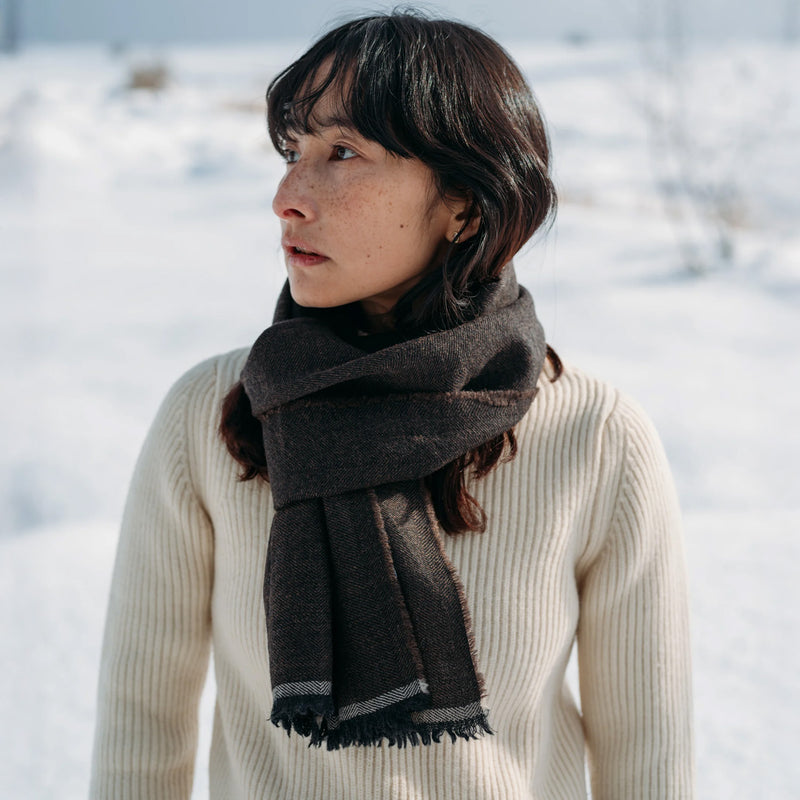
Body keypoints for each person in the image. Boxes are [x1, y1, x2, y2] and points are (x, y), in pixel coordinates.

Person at [89, 11, 695, 799]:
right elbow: (141, 730)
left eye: (342, 153)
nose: (288, 197)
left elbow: (650, 764)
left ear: (466, 207)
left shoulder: (597, 438)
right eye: (292, 152)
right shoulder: (212, 415)